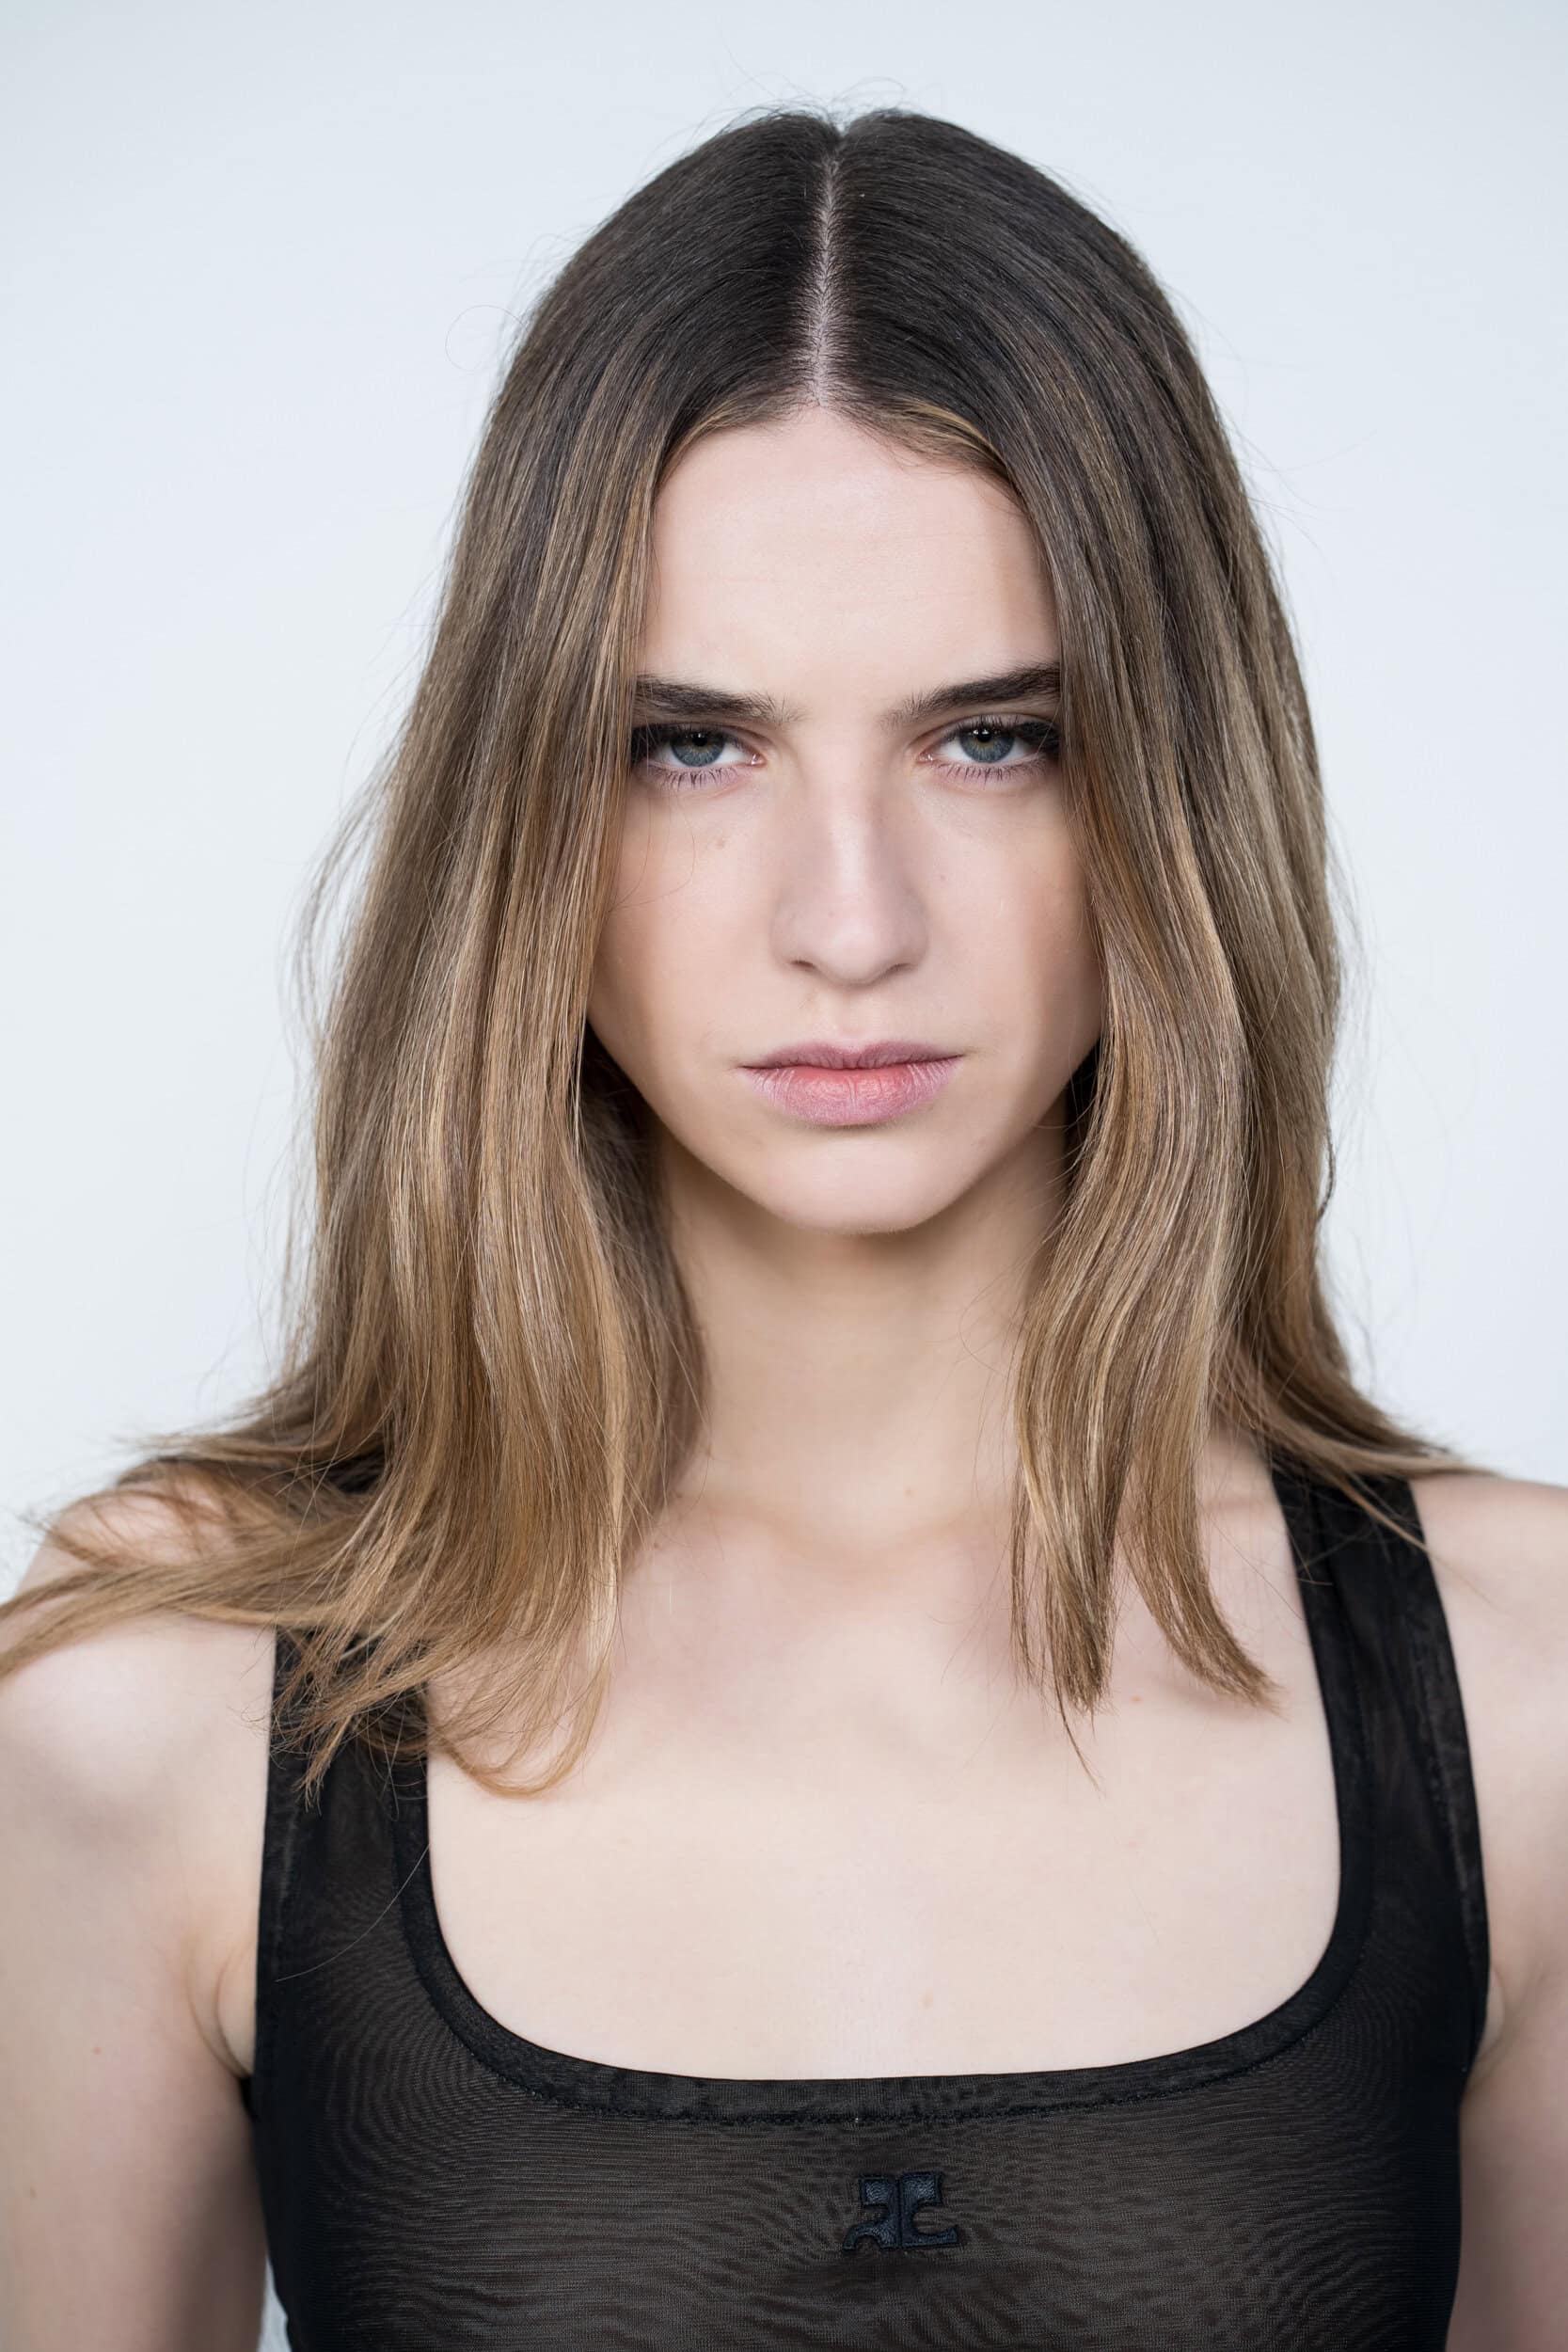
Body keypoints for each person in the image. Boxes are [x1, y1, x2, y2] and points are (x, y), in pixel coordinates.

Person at [1, 100, 1564, 2352]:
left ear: (1171, 784)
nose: (851, 920)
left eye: (993, 738)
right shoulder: (158, 1701)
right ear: (526, 803)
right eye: (692, 745)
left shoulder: (1530, 1698)